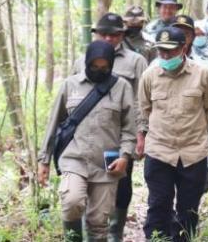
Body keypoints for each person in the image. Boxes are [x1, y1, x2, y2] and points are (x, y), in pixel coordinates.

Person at [38, 41, 137, 242]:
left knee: (99, 221)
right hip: (75, 157)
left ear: (110, 65)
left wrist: (125, 156)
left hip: (107, 162)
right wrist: (44, 160)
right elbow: (53, 123)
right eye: (94, 66)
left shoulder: (122, 87)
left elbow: (129, 129)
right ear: (87, 63)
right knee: (72, 202)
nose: (99, 71)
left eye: (104, 68)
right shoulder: (70, 85)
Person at [137, 26, 208, 242]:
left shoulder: (203, 74)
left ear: (184, 48)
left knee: (188, 211)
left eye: (170, 51)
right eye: (161, 51)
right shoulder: (149, 76)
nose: (165, 56)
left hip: (193, 153)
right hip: (159, 152)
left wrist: (195, 130)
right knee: (158, 205)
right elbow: (144, 110)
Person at [71, 13, 148, 242]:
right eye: (103, 34)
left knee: (120, 186)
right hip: (86, 139)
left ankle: (115, 234)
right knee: (85, 187)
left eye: (114, 35)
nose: (108, 38)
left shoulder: (136, 61)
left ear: (121, 35)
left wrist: (141, 134)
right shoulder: (80, 61)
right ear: (95, 34)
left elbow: (141, 101)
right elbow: (72, 96)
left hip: (119, 137)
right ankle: (90, 234)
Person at [172, 15, 208, 189]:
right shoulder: (160, 64)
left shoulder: (206, 65)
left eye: (186, 33)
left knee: (198, 182)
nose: (182, 37)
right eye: (178, 32)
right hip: (169, 136)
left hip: (199, 133)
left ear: (192, 37)